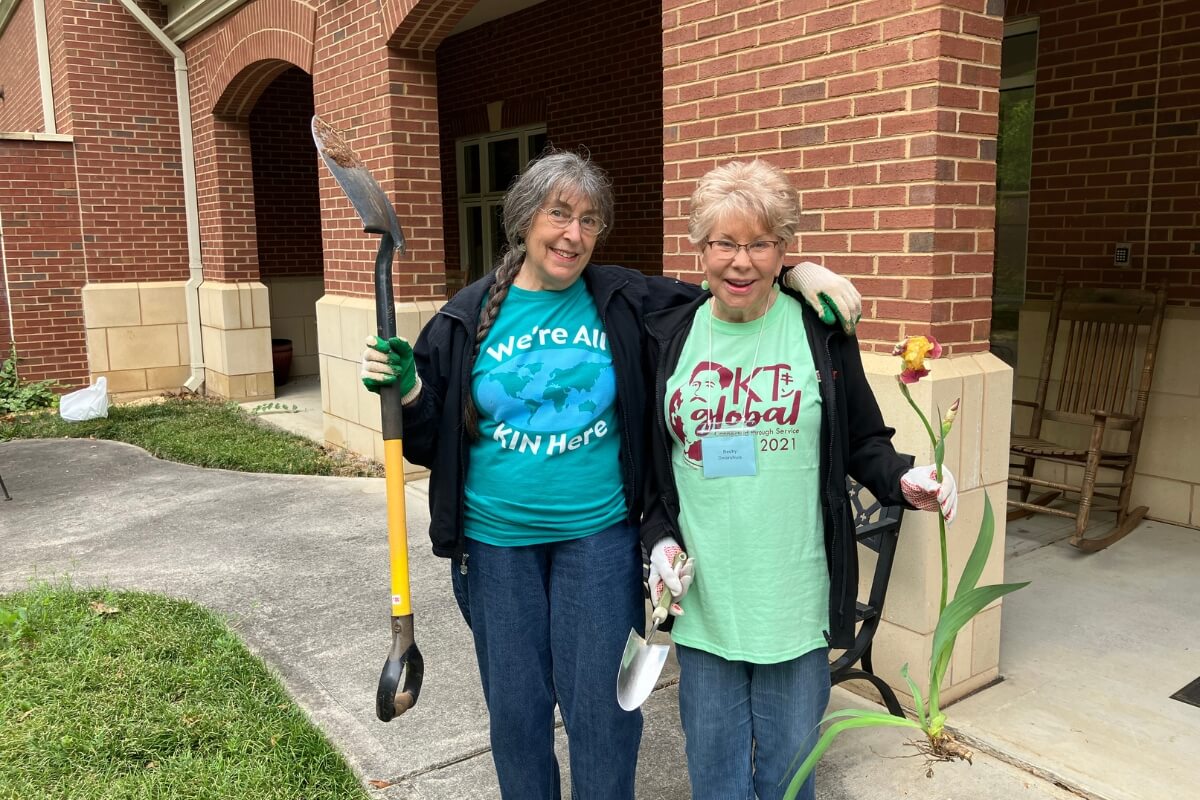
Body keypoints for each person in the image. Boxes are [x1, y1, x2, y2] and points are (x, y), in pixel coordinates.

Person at [358, 150, 862, 800]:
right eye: (559, 213)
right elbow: (429, 442)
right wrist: (410, 390)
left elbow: (732, 281)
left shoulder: (625, 297)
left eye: (589, 220)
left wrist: (799, 272)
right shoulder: (463, 317)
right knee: (517, 714)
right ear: (523, 219)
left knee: (603, 713)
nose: (573, 233)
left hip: (596, 540)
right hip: (495, 547)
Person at [641, 159, 958, 800]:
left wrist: (904, 479)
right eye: (724, 242)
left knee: (789, 783)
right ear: (699, 247)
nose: (741, 262)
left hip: (794, 604)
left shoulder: (819, 331)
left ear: (784, 248)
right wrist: (659, 541)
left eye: (761, 244)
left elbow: (864, 441)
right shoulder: (667, 335)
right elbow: (655, 474)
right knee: (717, 782)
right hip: (706, 609)